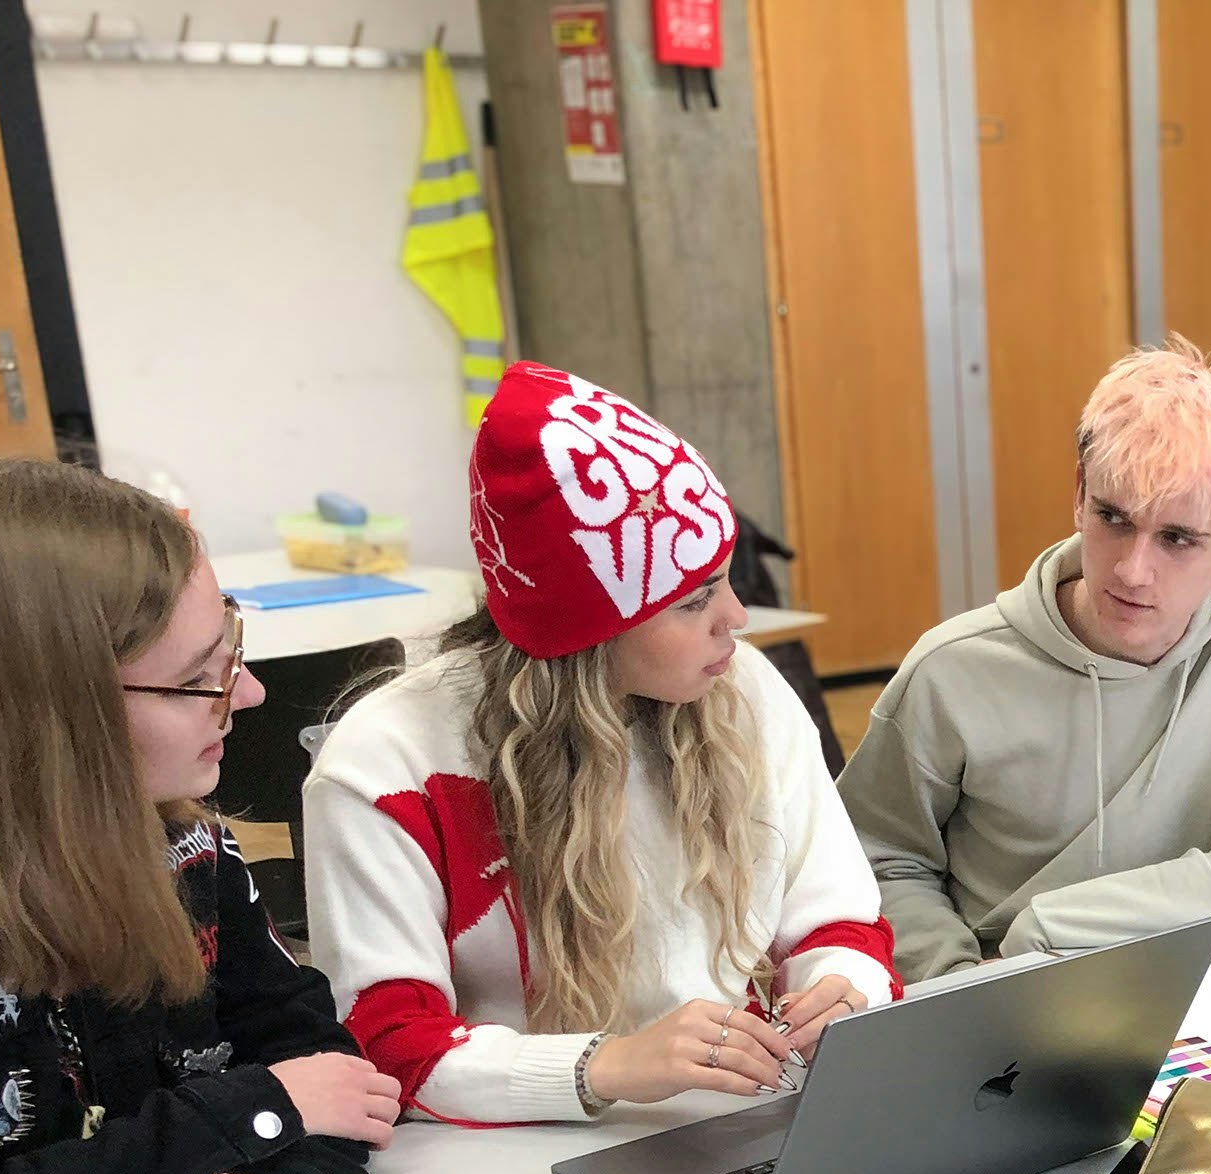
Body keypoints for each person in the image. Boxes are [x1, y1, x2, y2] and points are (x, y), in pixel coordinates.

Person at [0, 456, 394, 1174]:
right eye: (197, 681)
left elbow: (327, 1071)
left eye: (232, 655)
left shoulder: (178, 832)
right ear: (38, 714)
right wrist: (250, 1116)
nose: (248, 695)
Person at [305, 363, 894, 1125]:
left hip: (733, 1117)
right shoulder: (386, 767)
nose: (738, 618)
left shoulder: (741, 690)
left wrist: (842, 991)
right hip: (500, 1157)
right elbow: (388, 1046)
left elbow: (842, 919)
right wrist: (606, 1065)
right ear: (585, 632)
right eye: (693, 599)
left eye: (723, 578)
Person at [839, 334, 1211, 983]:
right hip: (998, 990)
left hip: (1198, 974)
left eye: (1178, 539)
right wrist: (963, 981)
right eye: (1114, 518)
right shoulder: (949, 671)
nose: (1133, 570)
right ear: (1080, 494)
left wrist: (1048, 927)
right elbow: (870, 860)